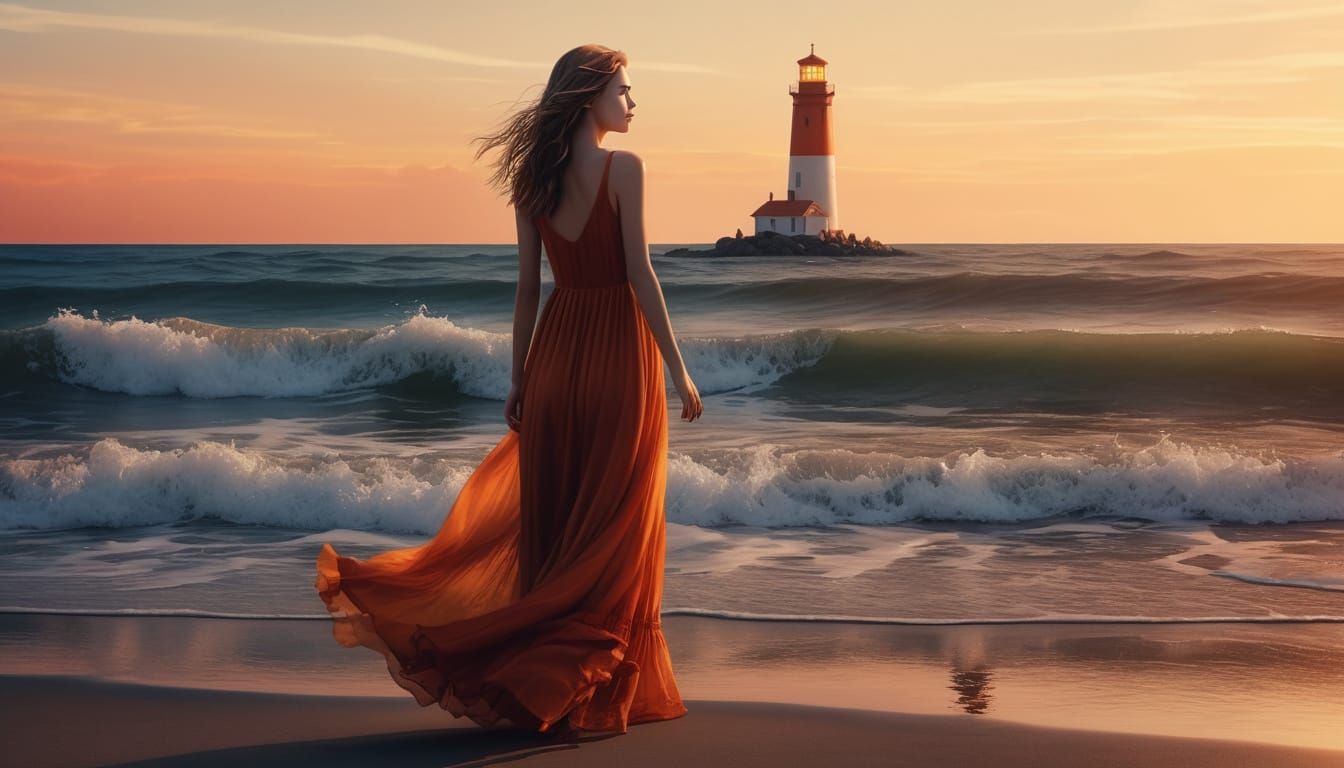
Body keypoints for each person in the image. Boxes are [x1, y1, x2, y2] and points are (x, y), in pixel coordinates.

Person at [314, 44, 702, 739]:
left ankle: (542, 676)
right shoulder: (625, 169)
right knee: (619, 522)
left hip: (555, 360)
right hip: (621, 359)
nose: (632, 102)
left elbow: (526, 290)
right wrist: (679, 369)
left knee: (559, 523)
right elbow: (640, 274)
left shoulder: (532, 183)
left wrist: (520, 378)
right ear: (588, 97)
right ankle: (585, 683)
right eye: (623, 90)